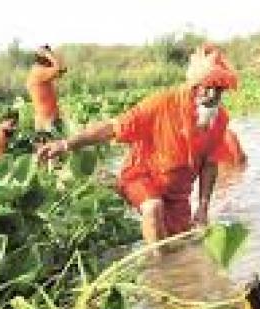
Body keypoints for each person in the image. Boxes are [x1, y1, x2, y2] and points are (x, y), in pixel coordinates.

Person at [37, 44, 238, 246]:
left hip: (177, 194)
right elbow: (112, 128)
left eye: (218, 89)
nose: (212, 96)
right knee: (153, 208)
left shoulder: (219, 119)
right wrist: (66, 144)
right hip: (141, 177)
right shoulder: (162, 104)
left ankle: (168, 265)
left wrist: (203, 206)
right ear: (195, 85)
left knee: (181, 245)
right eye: (207, 87)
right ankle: (158, 271)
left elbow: (210, 165)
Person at [26, 45, 66, 133]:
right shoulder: (39, 72)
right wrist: (48, 54)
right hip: (48, 120)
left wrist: (51, 55)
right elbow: (58, 68)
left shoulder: (40, 72)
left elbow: (62, 70)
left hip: (45, 119)